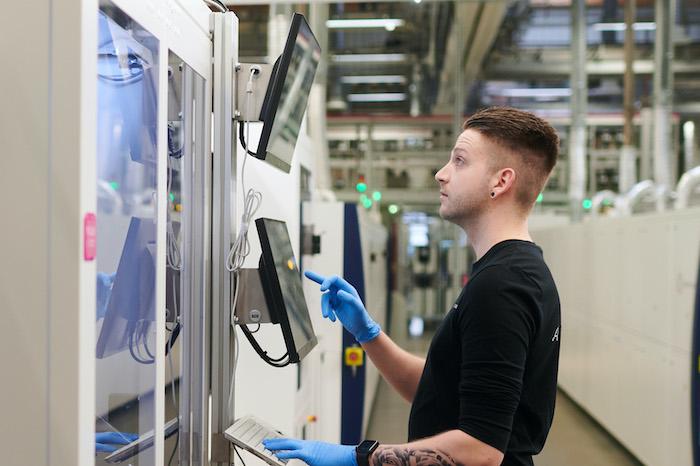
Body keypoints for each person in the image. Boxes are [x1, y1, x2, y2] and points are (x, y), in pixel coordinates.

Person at [264, 107, 561, 466]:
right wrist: (367, 333)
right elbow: (440, 388)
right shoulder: (517, 271)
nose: (441, 174)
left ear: (501, 182)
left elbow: (481, 452)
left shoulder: (501, 286)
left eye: (460, 161)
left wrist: (358, 457)